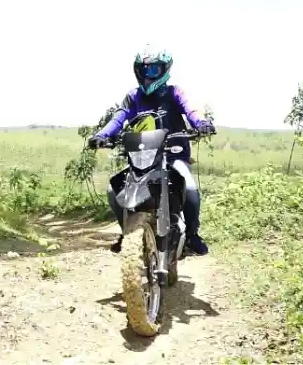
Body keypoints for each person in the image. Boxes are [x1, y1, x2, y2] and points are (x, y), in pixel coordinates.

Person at [87, 47, 216, 256]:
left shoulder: (174, 93)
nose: (148, 74)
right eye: (144, 69)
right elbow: (118, 119)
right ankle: (128, 231)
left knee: (190, 189)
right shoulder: (133, 97)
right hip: (142, 158)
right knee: (113, 191)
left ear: (164, 70)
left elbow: (191, 109)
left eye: (154, 69)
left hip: (172, 155)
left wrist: (201, 123)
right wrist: (102, 135)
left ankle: (192, 235)